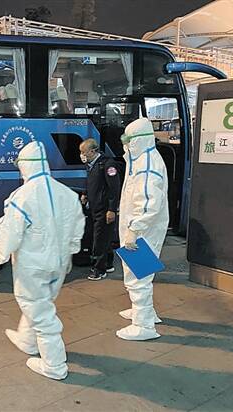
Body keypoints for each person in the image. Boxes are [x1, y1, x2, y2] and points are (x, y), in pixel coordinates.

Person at [0, 141, 85, 380]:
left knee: (39, 310)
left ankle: (54, 364)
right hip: (60, 263)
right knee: (40, 303)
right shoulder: (67, 193)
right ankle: (27, 340)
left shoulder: (22, 196)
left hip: (33, 265)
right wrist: (71, 251)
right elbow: (77, 227)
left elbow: (10, 232)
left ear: (25, 166)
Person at [117, 117, 168, 341]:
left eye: (128, 139)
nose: (125, 144)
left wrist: (134, 229)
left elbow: (148, 202)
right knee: (140, 272)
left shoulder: (147, 164)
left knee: (138, 275)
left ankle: (143, 324)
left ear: (139, 140)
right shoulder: (141, 160)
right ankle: (144, 310)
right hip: (140, 227)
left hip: (141, 229)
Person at [79, 138, 121, 281]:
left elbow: (114, 188)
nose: (82, 155)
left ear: (92, 151)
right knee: (103, 237)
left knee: (99, 239)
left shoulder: (108, 165)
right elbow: (91, 182)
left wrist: (112, 209)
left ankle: (98, 269)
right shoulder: (92, 164)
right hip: (94, 207)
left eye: (84, 152)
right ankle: (108, 263)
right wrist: (85, 194)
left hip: (104, 209)